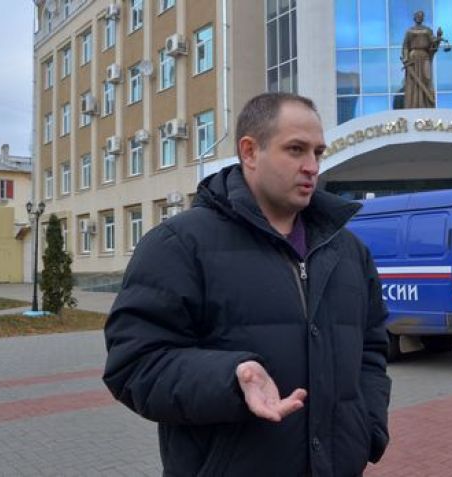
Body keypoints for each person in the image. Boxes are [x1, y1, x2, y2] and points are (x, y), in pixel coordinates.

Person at [102, 92, 391, 476]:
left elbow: (371, 350)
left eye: (318, 152)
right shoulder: (179, 244)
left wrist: (369, 427)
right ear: (250, 152)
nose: (311, 167)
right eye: (296, 149)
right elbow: (135, 364)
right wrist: (231, 378)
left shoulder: (349, 251)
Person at [401, 10, 443, 109]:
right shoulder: (409, 31)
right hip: (413, 58)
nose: (419, 17)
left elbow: (433, 44)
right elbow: (405, 46)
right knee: (413, 82)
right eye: (418, 16)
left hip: (425, 57)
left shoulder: (427, 30)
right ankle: (413, 104)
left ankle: (426, 103)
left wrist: (439, 37)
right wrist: (406, 57)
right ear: (414, 18)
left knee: (426, 78)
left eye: (421, 16)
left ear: (423, 18)